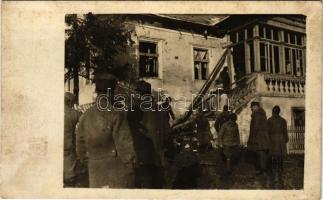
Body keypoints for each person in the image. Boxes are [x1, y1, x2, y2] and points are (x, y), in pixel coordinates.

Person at [76, 72, 136, 188]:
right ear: (112, 93)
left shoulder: (85, 115)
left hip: (94, 171)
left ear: (97, 91)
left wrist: (90, 162)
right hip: (116, 172)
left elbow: (80, 146)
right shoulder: (117, 114)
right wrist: (130, 168)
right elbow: (125, 146)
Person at [128, 80, 164, 188]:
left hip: (141, 155)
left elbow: (129, 131)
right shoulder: (159, 108)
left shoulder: (136, 108)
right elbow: (166, 131)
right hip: (157, 156)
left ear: (140, 94)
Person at [267, 106, 289, 188]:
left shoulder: (269, 120)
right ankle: (280, 168)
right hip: (280, 140)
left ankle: (274, 168)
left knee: (273, 155)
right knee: (280, 155)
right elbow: (285, 132)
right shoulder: (283, 121)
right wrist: (286, 139)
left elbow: (267, 131)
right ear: (279, 112)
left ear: (273, 111)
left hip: (273, 140)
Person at [247, 101, 270, 176]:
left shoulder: (256, 114)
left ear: (255, 107)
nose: (251, 109)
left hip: (259, 137)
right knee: (263, 154)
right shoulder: (262, 114)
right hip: (264, 137)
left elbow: (255, 127)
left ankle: (263, 171)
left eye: (252, 107)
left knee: (261, 154)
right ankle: (264, 170)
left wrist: (252, 137)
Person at [64, 92, 81, 187]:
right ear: (70, 102)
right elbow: (85, 120)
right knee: (69, 177)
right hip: (68, 146)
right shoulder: (74, 113)